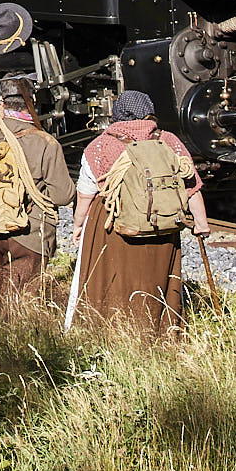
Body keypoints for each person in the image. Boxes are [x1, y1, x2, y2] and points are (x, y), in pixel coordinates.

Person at [70, 89, 210, 338]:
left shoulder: (100, 145)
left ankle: (111, 334)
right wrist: (201, 223)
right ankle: (161, 334)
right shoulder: (168, 141)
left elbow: (85, 194)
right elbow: (192, 187)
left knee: (116, 280)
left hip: (116, 226)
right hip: (163, 226)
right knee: (156, 280)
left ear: (118, 114)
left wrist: (78, 226)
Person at [0, 26, 75, 303]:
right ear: (31, 102)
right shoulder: (46, 143)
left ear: (1, 101)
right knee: (20, 304)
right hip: (28, 234)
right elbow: (63, 195)